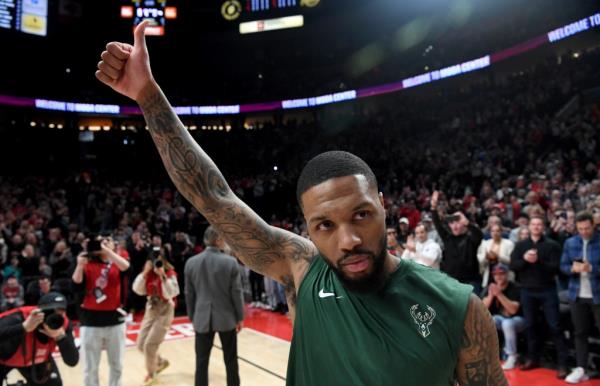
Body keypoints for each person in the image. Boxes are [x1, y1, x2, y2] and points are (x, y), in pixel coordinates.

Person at [95, 22, 506, 385]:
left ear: (383, 206)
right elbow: (214, 197)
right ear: (307, 229)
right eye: (324, 225)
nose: (347, 240)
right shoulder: (302, 270)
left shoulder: (458, 308)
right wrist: (149, 96)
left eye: (360, 215)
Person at [509, 215, 569, 378]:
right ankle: (532, 358)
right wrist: (525, 260)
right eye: (533, 224)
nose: (536, 227)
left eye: (539, 224)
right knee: (530, 326)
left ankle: (563, 364)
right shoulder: (521, 245)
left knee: (555, 326)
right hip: (527, 290)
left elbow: (557, 269)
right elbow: (513, 266)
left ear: (543, 227)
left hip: (547, 289)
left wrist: (538, 261)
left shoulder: (552, 245)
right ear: (528, 227)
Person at [184, 226, 244, 386]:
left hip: (201, 318)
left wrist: (192, 316)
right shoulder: (230, 262)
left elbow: (189, 294)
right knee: (231, 360)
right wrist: (240, 317)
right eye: (224, 238)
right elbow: (236, 293)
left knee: (201, 362)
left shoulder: (191, 262)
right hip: (226, 317)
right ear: (218, 240)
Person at [72, 235, 130, 386]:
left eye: (107, 240)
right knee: (90, 367)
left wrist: (106, 251)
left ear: (113, 245)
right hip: (90, 322)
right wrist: (79, 265)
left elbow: (127, 268)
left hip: (115, 321)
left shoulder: (117, 262)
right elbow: (76, 286)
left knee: (117, 365)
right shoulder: (86, 262)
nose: (103, 243)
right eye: (100, 241)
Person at [0, 292, 79, 385]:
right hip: (3, 358)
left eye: (61, 311)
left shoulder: (62, 324)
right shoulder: (19, 317)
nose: (55, 317)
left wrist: (60, 337)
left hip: (36, 360)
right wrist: (23, 327)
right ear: (40, 312)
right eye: (51, 312)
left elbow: (72, 361)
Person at [560, 211, 600, 384]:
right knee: (580, 333)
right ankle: (581, 368)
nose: (584, 232)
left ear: (594, 225)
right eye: (581, 229)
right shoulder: (570, 242)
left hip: (598, 294)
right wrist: (571, 269)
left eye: (587, 228)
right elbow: (563, 265)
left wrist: (593, 269)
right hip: (576, 294)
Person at [132, 248, 180, 385]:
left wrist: (163, 276)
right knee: (141, 344)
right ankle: (160, 362)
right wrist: (145, 272)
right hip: (151, 308)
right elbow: (137, 290)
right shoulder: (148, 274)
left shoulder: (170, 273)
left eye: (160, 260)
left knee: (150, 345)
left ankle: (151, 374)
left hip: (165, 309)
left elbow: (173, 292)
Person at [431, 191, 484, 294]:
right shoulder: (447, 237)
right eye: (451, 223)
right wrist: (433, 207)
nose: (454, 226)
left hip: (470, 282)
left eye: (457, 222)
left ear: (463, 223)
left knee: (472, 309)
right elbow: (437, 224)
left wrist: (467, 222)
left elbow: (479, 235)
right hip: (451, 282)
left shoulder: (471, 238)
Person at [481, 264, 525, 370]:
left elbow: (513, 310)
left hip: (519, 320)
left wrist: (499, 294)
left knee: (507, 323)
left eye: (501, 274)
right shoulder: (490, 287)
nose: (498, 277)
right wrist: (491, 295)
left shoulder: (515, 287)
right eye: (496, 275)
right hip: (500, 319)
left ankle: (512, 356)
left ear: (507, 274)